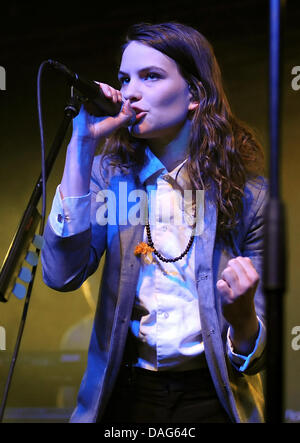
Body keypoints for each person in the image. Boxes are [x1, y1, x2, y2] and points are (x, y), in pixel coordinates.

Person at [41, 22, 268, 423]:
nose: (130, 92)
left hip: (213, 396)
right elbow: (62, 275)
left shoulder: (250, 195)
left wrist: (244, 319)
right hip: (126, 395)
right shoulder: (109, 177)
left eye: (151, 76)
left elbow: (254, 356)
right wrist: (81, 148)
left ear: (195, 94)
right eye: (125, 79)